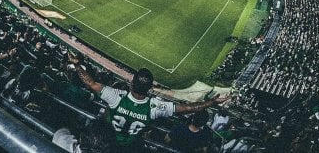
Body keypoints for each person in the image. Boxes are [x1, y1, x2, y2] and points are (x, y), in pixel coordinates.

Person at [70, 54, 229, 149]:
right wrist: (211, 102)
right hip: (128, 146)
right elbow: (187, 108)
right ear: (149, 88)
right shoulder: (155, 107)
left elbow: (90, 83)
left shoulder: (116, 96)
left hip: (106, 142)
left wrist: (77, 65)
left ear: (132, 84)